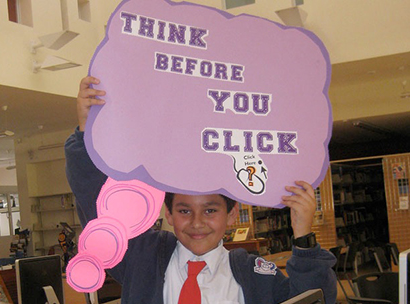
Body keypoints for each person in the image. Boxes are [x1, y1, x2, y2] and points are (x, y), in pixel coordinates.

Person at [65, 76, 337, 304]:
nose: (197, 223)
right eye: (184, 210)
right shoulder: (142, 257)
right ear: (168, 214)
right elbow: (98, 206)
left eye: (210, 210)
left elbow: (312, 298)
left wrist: (304, 238)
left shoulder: (253, 274)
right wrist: (88, 133)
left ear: (232, 214)